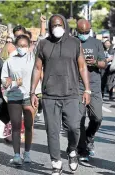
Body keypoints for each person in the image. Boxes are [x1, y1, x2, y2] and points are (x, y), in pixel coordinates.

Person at [30, 14, 91, 174]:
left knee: (74, 127)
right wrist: (32, 92)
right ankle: (56, 161)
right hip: (50, 95)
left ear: (64, 25)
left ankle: (72, 150)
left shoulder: (75, 43)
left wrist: (87, 89)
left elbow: (83, 66)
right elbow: (37, 68)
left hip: (71, 94)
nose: (57, 27)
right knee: (52, 131)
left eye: (59, 24)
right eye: (54, 25)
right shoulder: (43, 44)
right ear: (50, 27)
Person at [1, 35, 39, 166]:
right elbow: (4, 82)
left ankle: (27, 153)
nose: (22, 48)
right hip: (14, 96)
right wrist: (12, 83)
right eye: (20, 45)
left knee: (29, 125)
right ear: (15, 46)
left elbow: (41, 41)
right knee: (16, 126)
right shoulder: (9, 61)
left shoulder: (33, 58)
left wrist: (42, 25)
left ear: (29, 46)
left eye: (24, 45)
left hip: (29, 96)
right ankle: (16, 155)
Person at [76, 19, 107, 162]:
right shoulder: (73, 42)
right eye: (81, 32)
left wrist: (94, 62)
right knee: (79, 120)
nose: (83, 34)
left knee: (97, 118)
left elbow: (104, 64)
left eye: (86, 32)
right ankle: (82, 150)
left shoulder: (96, 43)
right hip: (77, 86)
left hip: (94, 86)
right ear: (76, 30)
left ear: (90, 30)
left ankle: (89, 137)